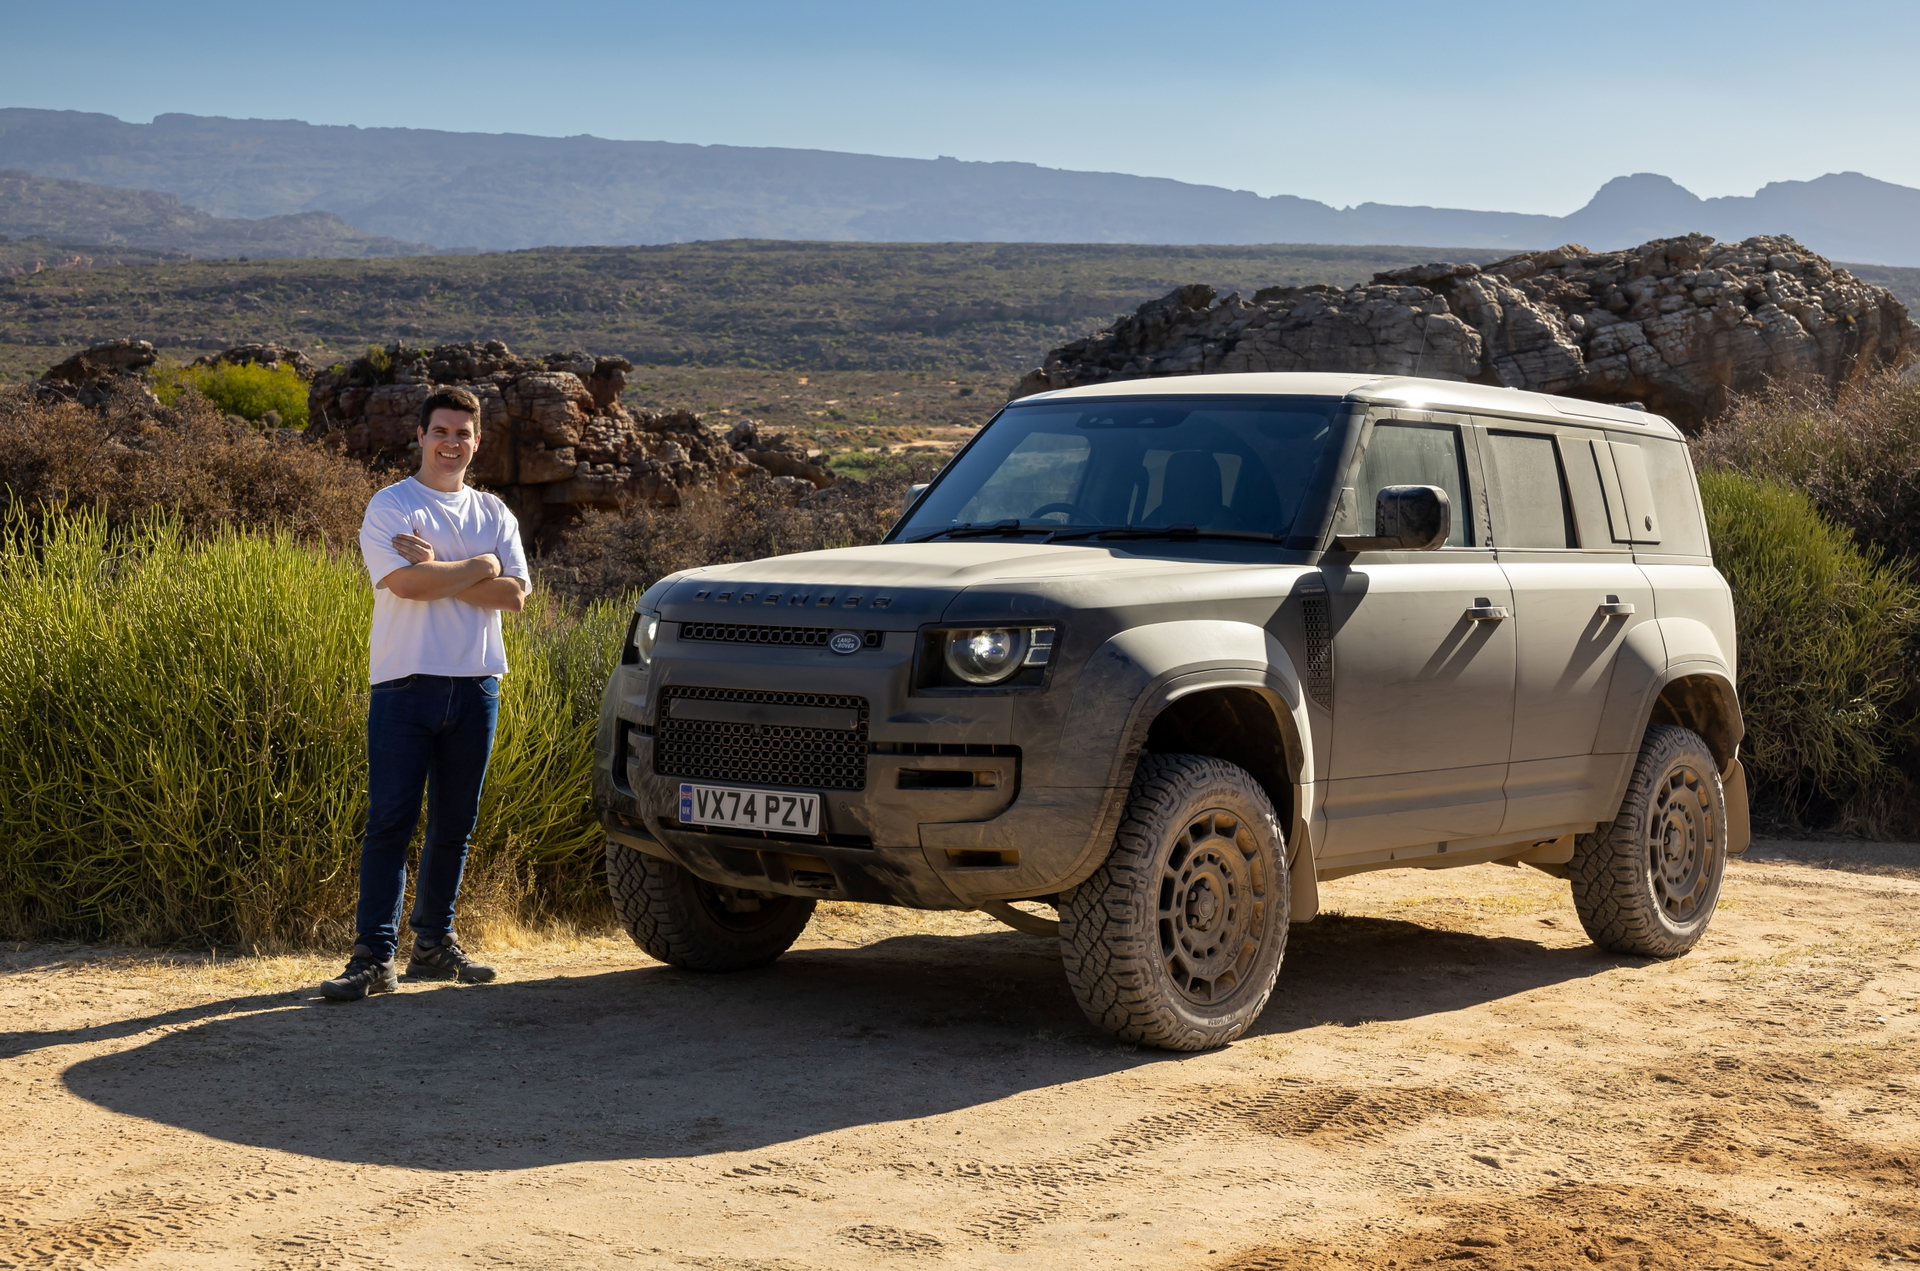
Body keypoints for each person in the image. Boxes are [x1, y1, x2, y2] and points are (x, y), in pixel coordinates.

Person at [321, 386, 530, 1002]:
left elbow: (516, 597)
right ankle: (372, 959)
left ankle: (434, 947)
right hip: (404, 683)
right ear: (419, 436)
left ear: (477, 440)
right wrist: (480, 567)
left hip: (476, 683)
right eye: (441, 431)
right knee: (389, 820)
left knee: (453, 827)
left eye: (463, 433)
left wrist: (447, 568)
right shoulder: (391, 505)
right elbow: (405, 586)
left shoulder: (495, 512)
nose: (451, 442)